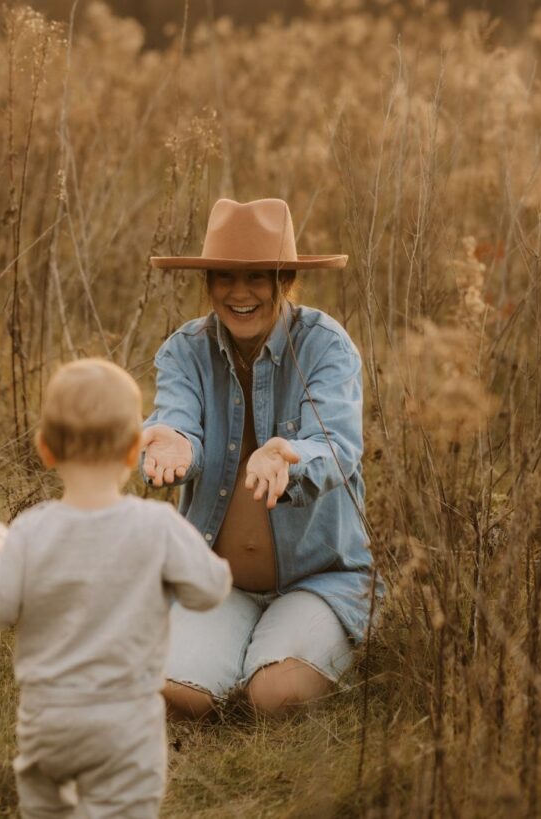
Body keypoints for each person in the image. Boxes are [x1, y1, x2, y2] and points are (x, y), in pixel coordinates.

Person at [0, 359, 232, 819]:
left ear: (46, 449)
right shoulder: (156, 527)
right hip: (125, 728)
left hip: (49, 726)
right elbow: (211, 588)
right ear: (133, 452)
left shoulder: (29, 532)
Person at [141, 197, 379, 719]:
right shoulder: (185, 351)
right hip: (218, 581)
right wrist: (172, 442)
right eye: (225, 277)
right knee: (178, 697)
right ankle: (228, 644)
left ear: (284, 279)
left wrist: (287, 456)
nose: (239, 292)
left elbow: (336, 445)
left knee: (276, 699)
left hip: (319, 579)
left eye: (257, 276)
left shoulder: (326, 347)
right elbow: (174, 419)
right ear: (208, 283)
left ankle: (304, 642)